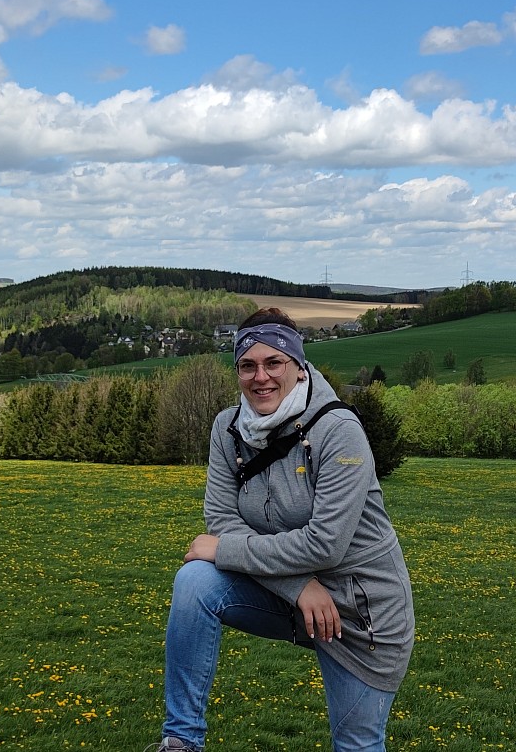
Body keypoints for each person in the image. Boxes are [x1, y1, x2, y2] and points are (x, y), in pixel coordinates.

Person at [149, 308, 415, 752]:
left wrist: (227, 550)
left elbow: (325, 544)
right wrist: (299, 587)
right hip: (291, 598)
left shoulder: (339, 430)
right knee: (195, 581)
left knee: (357, 744)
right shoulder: (227, 429)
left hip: (360, 613)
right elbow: (222, 521)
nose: (261, 377)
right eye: (247, 365)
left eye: (274, 363)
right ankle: (181, 742)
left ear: (297, 365)